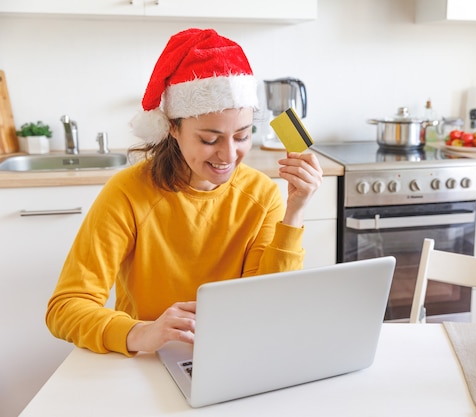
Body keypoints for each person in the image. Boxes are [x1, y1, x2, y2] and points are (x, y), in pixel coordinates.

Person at [46, 28, 323, 357]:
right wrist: (140, 333)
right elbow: (65, 307)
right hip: (147, 360)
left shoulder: (261, 195)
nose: (229, 154)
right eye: (209, 139)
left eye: (242, 135)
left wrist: (295, 210)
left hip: (232, 355)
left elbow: (266, 303)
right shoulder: (128, 193)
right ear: (173, 128)